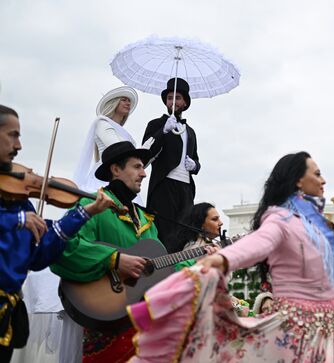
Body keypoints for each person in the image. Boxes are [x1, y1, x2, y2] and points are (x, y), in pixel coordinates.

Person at [127, 151, 334, 362]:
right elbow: (258, 243)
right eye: (317, 173)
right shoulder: (280, 217)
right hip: (295, 332)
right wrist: (223, 259)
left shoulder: (311, 224)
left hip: (333, 328)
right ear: (298, 180)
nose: (324, 179)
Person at [0, 105, 115, 362]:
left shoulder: (18, 199)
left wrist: (84, 214)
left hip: (5, 316)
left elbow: (38, 257)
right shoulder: (19, 213)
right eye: (12, 135)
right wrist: (16, 219)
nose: (19, 145)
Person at [50, 141, 160, 363]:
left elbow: (161, 267)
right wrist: (114, 259)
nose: (144, 174)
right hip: (106, 316)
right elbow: (63, 246)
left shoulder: (146, 219)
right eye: (137, 167)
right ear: (116, 169)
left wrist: (201, 260)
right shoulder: (91, 205)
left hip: (142, 323)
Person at [142, 77, 200, 253]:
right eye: (169, 98)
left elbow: (197, 159)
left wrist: (195, 166)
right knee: (164, 233)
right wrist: (163, 131)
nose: (173, 102)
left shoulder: (190, 132)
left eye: (178, 98)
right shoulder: (156, 124)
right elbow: (144, 154)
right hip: (164, 185)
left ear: (185, 102)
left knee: (184, 233)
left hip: (185, 188)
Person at [73, 86, 139, 194]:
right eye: (124, 100)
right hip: (105, 175)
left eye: (129, 101)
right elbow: (116, 147)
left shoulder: (123, 132)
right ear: (114, 103)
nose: (128, 103)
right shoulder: (102, 123)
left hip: (121, 175)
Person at [173, 202, 222, 270]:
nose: (221, 223)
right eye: (215, 219)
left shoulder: (203, 244)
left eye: (219, 219)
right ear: (201, 224)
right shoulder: (195, 247)